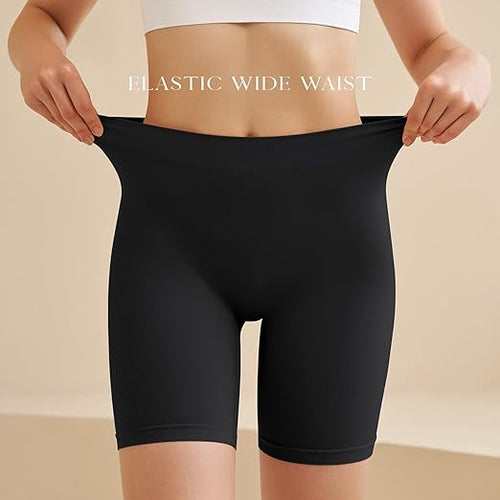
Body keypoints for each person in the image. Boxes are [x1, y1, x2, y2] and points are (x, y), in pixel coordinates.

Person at [7, 1, 491, 499]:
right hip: (173, 240)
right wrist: (39, 59)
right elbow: (42, 15)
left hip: (332, 246)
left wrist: (469, 65)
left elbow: (431, 44)